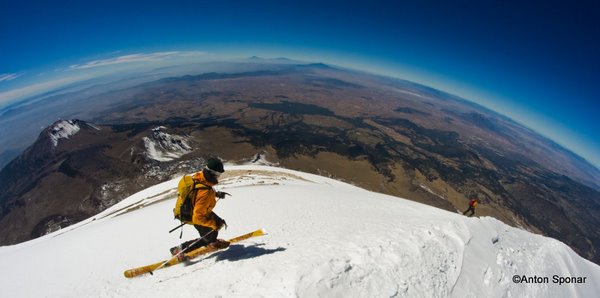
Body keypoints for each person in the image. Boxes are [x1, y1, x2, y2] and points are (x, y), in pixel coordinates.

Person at [170, 158, 230, 261]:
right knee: (210, 233)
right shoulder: (204, 192)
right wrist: (212, 224)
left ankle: (212, 240)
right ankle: (179, 249)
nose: (218, 177)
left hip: (196, 210)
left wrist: (216, 194)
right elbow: (197, 218)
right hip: (192, 214)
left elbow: (197, 194)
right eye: (218, 174)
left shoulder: (201, 178)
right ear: (212, 173)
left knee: (218, 223)